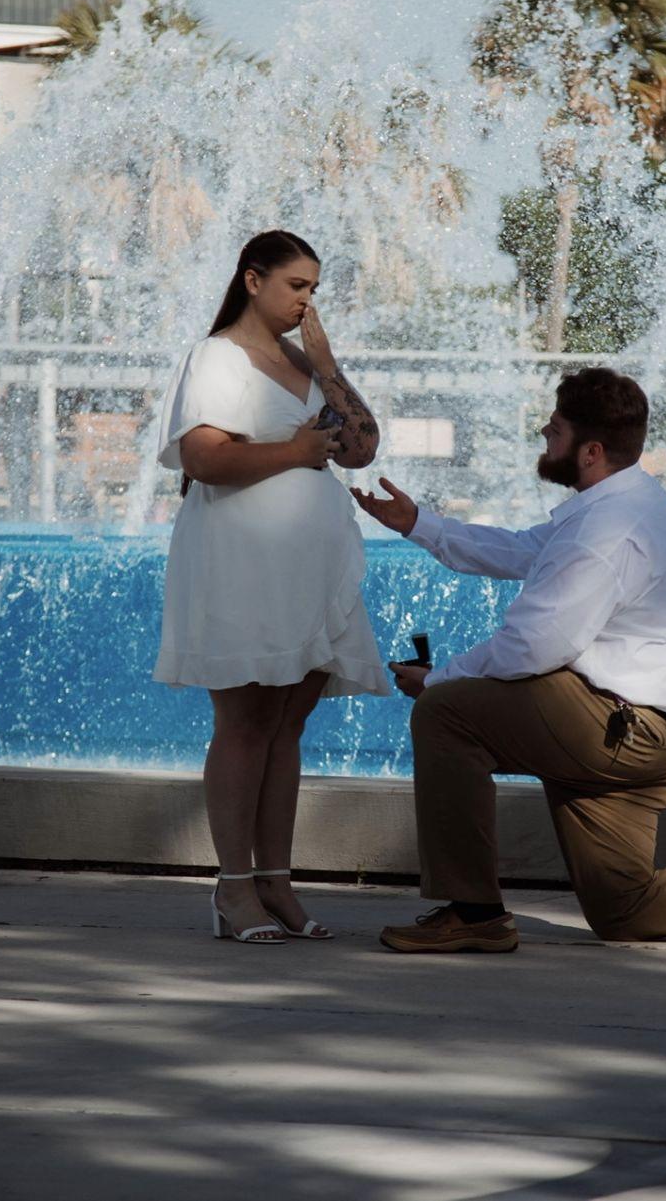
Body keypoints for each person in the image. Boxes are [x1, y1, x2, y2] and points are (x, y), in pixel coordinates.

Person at [351, 367, 666, 955]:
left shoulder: (606, 530)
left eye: (556, 428)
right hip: (647, 734)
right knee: (622, 909)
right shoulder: (625, 501)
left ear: (590, 451)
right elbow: (525, 550)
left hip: (614, 727)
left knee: (447, 713)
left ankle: (473, 912)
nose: (545, 433)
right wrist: (419, 524)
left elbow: (535, 644)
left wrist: (437, 679)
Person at [155, 229, 389, 945]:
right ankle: (233, 888)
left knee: (287, 724)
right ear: (253, 280)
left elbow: (361, 447)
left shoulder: (304, 361)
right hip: (243, 563)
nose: (306, 300)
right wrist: (294, 450)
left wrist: (327, 364)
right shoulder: (217, 356)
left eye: (314, 288)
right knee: (246, 722)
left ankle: (276, 882)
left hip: (309, 570)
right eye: (296, 285)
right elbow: (202, 457)